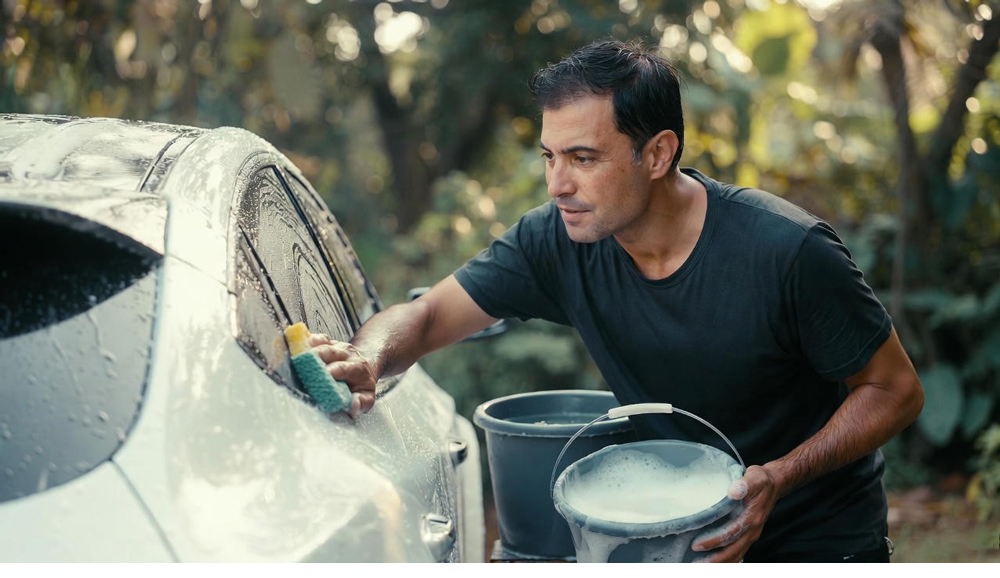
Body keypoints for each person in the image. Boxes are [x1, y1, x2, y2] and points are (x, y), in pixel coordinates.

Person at [307, 39, 924, 562]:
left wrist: (779, 478)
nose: (558, 184)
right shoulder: (557, 238)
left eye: (583, 158)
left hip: (819, 543)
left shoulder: (787, 251)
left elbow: (895, 391)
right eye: (550, 157)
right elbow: (428, 315)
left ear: (657, 153)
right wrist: (367, 358)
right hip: (674, 540)